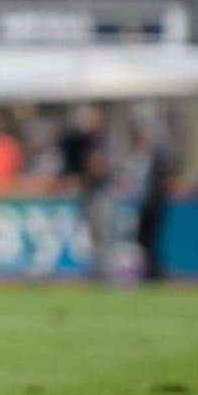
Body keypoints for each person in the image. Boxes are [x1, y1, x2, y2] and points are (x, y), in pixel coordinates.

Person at [57, 105, 111, 279]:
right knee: (94, 235)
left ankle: (104, 272)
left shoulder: (99, 141)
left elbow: (98, 166)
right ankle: (98, 270)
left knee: (101, 234)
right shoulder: (81, 141)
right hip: (88, 193)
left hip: (98, 193)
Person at [128, 119, 177, 282]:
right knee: (143, 239)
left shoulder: (155, 154)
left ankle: (155, 272)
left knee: (151, 239)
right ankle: (151, 271)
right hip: (143, 203)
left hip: (154, 203)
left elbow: (163, 178)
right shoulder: (138, 155)